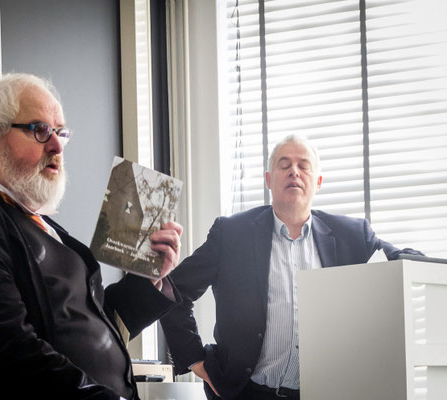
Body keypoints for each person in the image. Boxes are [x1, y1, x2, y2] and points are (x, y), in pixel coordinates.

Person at [0, 73, 183, 400]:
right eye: (40, 130)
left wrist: (148, 277)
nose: (57, 145)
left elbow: (89, 324)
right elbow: (8, 354)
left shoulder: (39, 223)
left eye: (60, 132)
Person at [159, 134, 422, 400]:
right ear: (268, 180)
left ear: (318, 182)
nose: (294, 171)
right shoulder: (232, 233)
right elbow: (173, 290)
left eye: (303, 166)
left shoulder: (352, 235)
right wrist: (194, 359)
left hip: (325, 393)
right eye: (284, 165)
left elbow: (407, 261)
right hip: (245, 392)